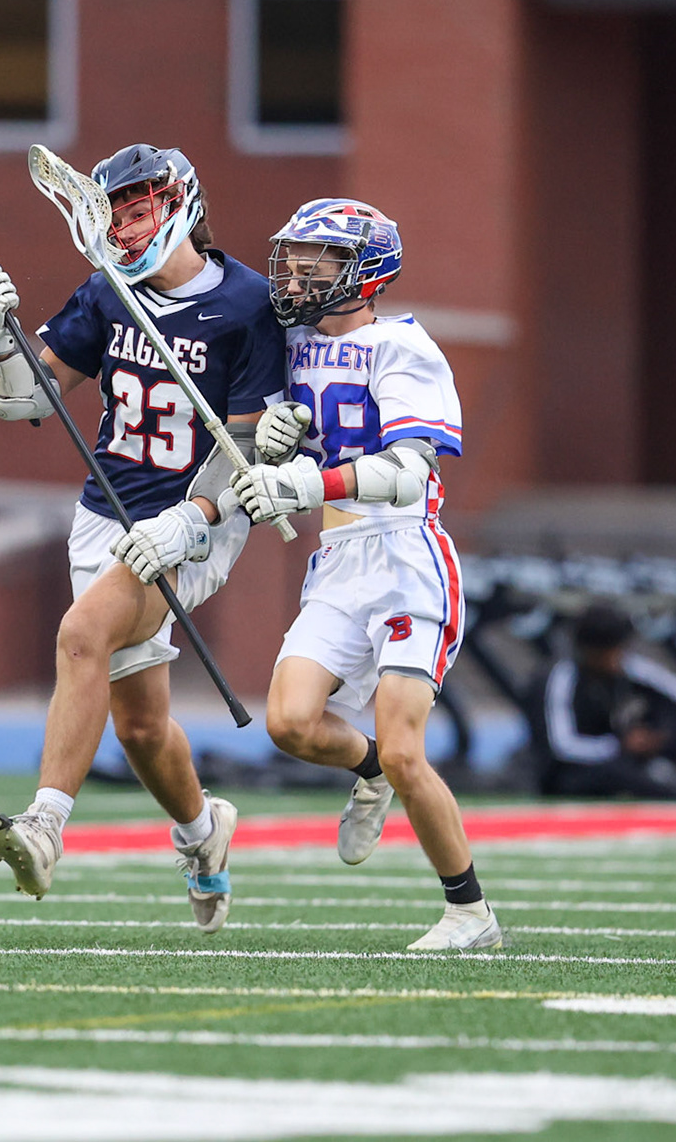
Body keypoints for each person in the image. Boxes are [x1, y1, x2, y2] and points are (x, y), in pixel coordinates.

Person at [0, 144, 286, 932]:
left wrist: (190, 524)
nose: (126, 223)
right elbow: (24, 402)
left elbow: (246, 451)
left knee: (81, 636)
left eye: (140, 205)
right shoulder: (108, 291)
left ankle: (43, 826)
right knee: (139, 726)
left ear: (179, 203)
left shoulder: (247, 305)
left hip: (199, 521)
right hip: (105, 513)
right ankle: (204, 833)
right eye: (115, 209)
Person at [223, 198, 501, 950]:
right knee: (289, 722)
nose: (300, 270)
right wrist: (276, 444)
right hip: (339, 562)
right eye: (297, 254)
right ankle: (369, 770)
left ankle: (469, 913)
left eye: (321, 257)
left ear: (365, 270)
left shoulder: (403, 348)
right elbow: (279, 448)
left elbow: (411, 470)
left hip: (408, 557)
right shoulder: (294, 344)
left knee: (410, 747)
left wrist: (312, 482)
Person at [522, 601, 676, 800]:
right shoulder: (559, 678)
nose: (615, 658)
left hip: (619, 757)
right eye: (608, 651)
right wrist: (619, 745)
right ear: (588, 650)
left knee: (662, 725)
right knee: (614, 771)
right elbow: (560, 745)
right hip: (568, 773)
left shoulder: (625, 668)